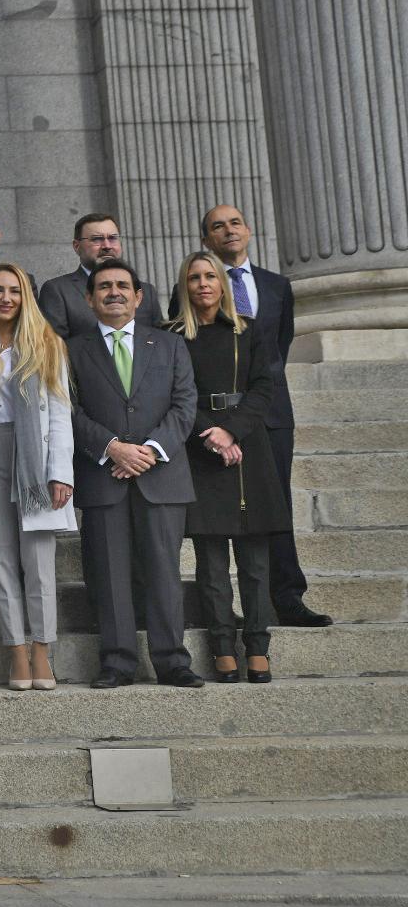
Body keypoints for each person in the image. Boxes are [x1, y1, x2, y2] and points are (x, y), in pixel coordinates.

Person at [66, 258, 203, 690]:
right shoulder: (71, 350)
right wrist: (111, 448)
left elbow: (184, 405)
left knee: (164, 572)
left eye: (123, 286)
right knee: (109, 573)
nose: (114, 292)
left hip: (161, 476)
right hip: (103, 475)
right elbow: (69, 411)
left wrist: (149, 451)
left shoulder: (168, 346)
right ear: (89, 299)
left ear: (139, 296)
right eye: (104, 286)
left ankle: (172, 661)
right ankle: (117, 661)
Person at [200, 204, 325, 628]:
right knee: (221, 511)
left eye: (235, 223)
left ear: (249, 231)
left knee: (276, 506)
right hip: (216, 422)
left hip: (270, 415)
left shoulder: (277, 286)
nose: (228, 231)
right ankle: (224, 606)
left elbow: (278, 347)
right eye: (218, 226)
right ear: (207, 240)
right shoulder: (202, 286)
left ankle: (287, 598)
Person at [170, 249, 288, 684]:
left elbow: (263, 387)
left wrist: (233, 432)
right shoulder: (174, 337)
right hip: (202, 450)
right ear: (184, 286)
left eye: (210, 276)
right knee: (212, 563)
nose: (203, 284)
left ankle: (257, 645)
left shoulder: (249, 331)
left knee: (255, 563)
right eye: (194, 277)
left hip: (248, 447)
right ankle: (223, 646)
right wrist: (212, 435)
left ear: (222, 283)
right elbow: (176, 396)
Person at [0, 263, 75, 692]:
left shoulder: (48, 344)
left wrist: (60, 473)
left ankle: (42, 651)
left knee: (38, 562)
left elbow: (60, 413)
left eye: (14, 291)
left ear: (26, 296)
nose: (5, 298)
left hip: (34, 459)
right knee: (0, 560)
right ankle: (16, 652)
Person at [38, 213, 164, 339]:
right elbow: (54, 349)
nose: (107, 246)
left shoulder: (146, 291)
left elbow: (160, 343)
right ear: (77, 246)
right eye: (97, 239)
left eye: (113, 238)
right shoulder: (58, 290)